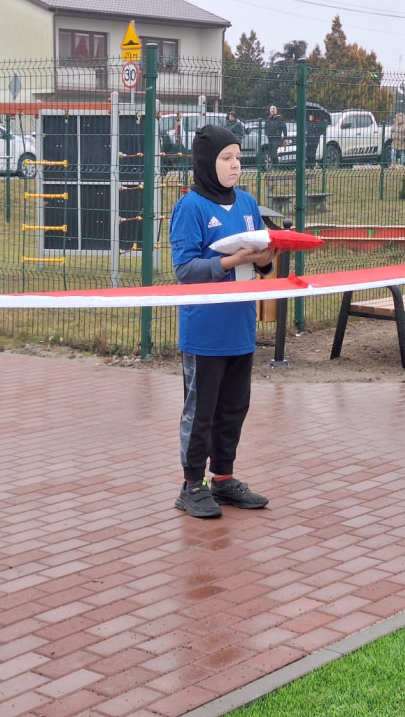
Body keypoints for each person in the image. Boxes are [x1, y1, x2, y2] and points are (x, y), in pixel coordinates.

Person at [168, 125, 277, 518]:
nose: (235, 165)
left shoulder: (248, 203)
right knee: (202, 410)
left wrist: (264, 259)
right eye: (226, 158)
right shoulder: (191, 207)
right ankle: (191, 484)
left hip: (240, 328)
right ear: (206, 163)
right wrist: (232, 261)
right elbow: (185, 270)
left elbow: (262, 264)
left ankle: (224, 479)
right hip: (205, 332)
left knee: (234, 408)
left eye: (238, 157)